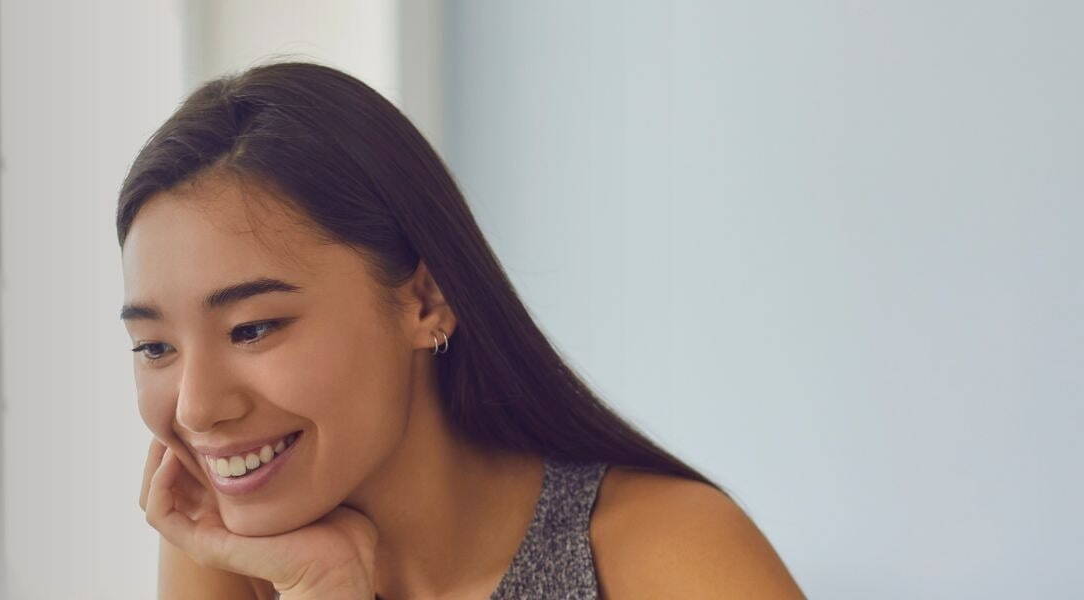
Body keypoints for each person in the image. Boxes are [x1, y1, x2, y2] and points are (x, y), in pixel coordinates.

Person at [119, 63, 803, 599]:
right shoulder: (226, 552)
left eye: (252, 328)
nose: (197, 408)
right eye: (155, 347)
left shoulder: (665, 549)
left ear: (425, 299)